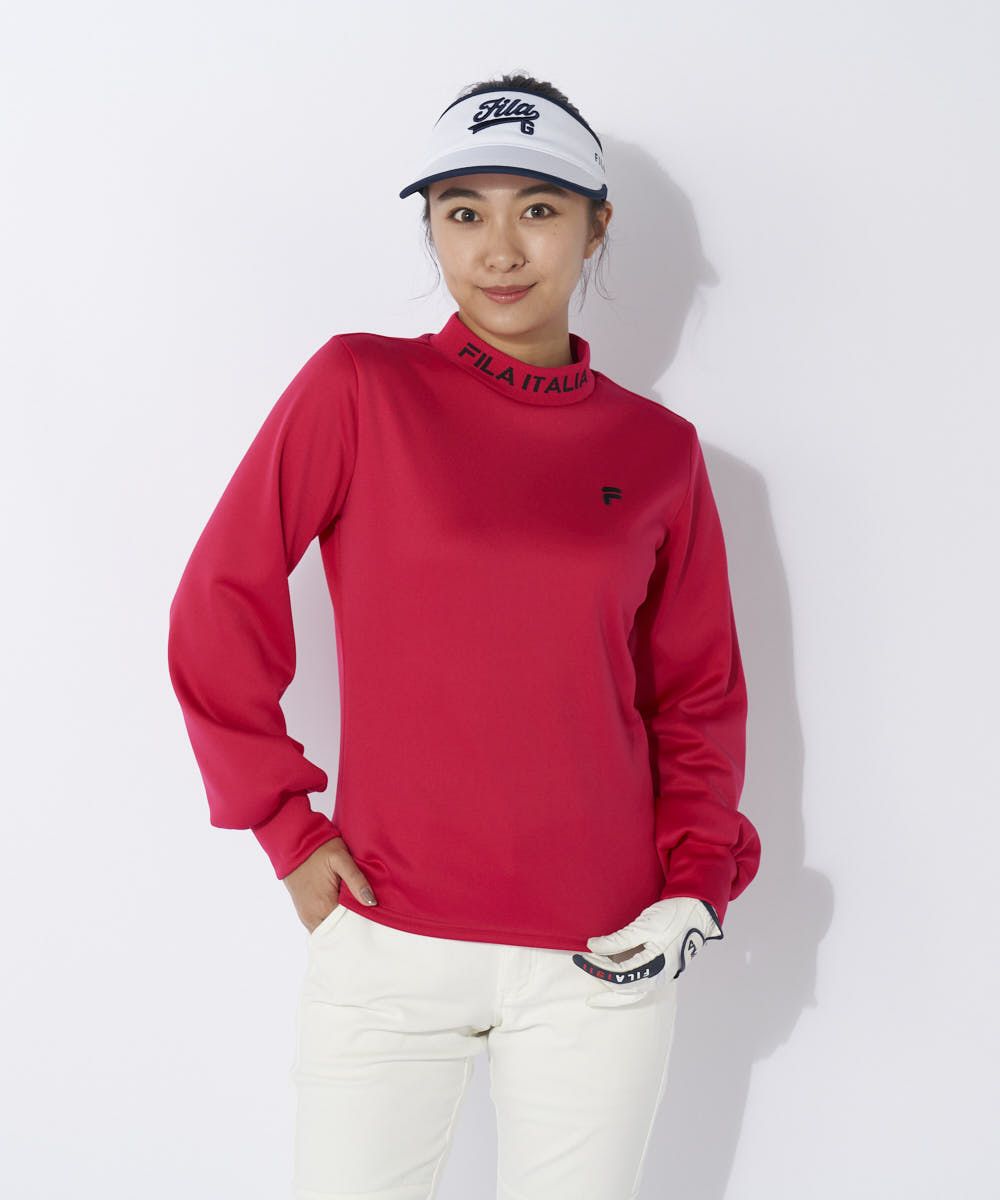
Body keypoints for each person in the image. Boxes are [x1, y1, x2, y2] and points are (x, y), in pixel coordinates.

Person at [167, 71, 762, 1200]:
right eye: (462, 211)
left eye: (538, 209)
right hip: (388, 937)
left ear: (596, 226)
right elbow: (219, 601)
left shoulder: (659, 452)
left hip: (601, 956)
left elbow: (696, 696)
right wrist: (284, 824)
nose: (498, 249)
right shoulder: (360, 386)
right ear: (431, 225)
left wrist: (695, 887)